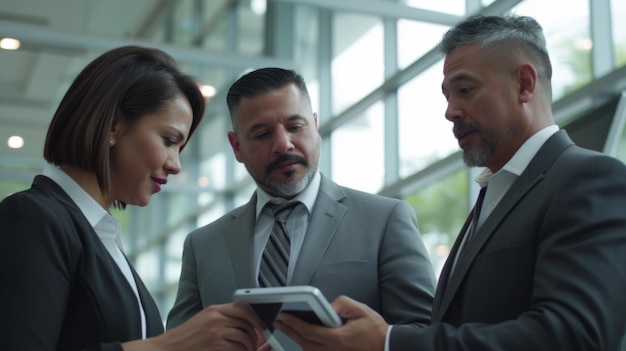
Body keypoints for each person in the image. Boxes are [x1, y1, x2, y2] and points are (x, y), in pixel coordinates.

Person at [273, 14, 626, 351]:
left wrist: (389, 342)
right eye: (447, 96)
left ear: (524, 84)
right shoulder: (494, 195)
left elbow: (575, 337)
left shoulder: (589, 179)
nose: (450, 111)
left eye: (466, 90)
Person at [0, 45, 265, 351]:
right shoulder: (33, 217)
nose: (176, 165)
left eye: (179, 149)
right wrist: (167, 345)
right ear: (113, 125)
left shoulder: (102, 238)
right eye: (169, 141)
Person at [166, 67, 437, 348]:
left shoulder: (384, 220)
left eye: (296, 127)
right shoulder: (203, 245)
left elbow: (425, 333)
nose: (283, 144)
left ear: (315, 126)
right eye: (262, 133)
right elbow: (177, 343)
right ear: (236, 147)